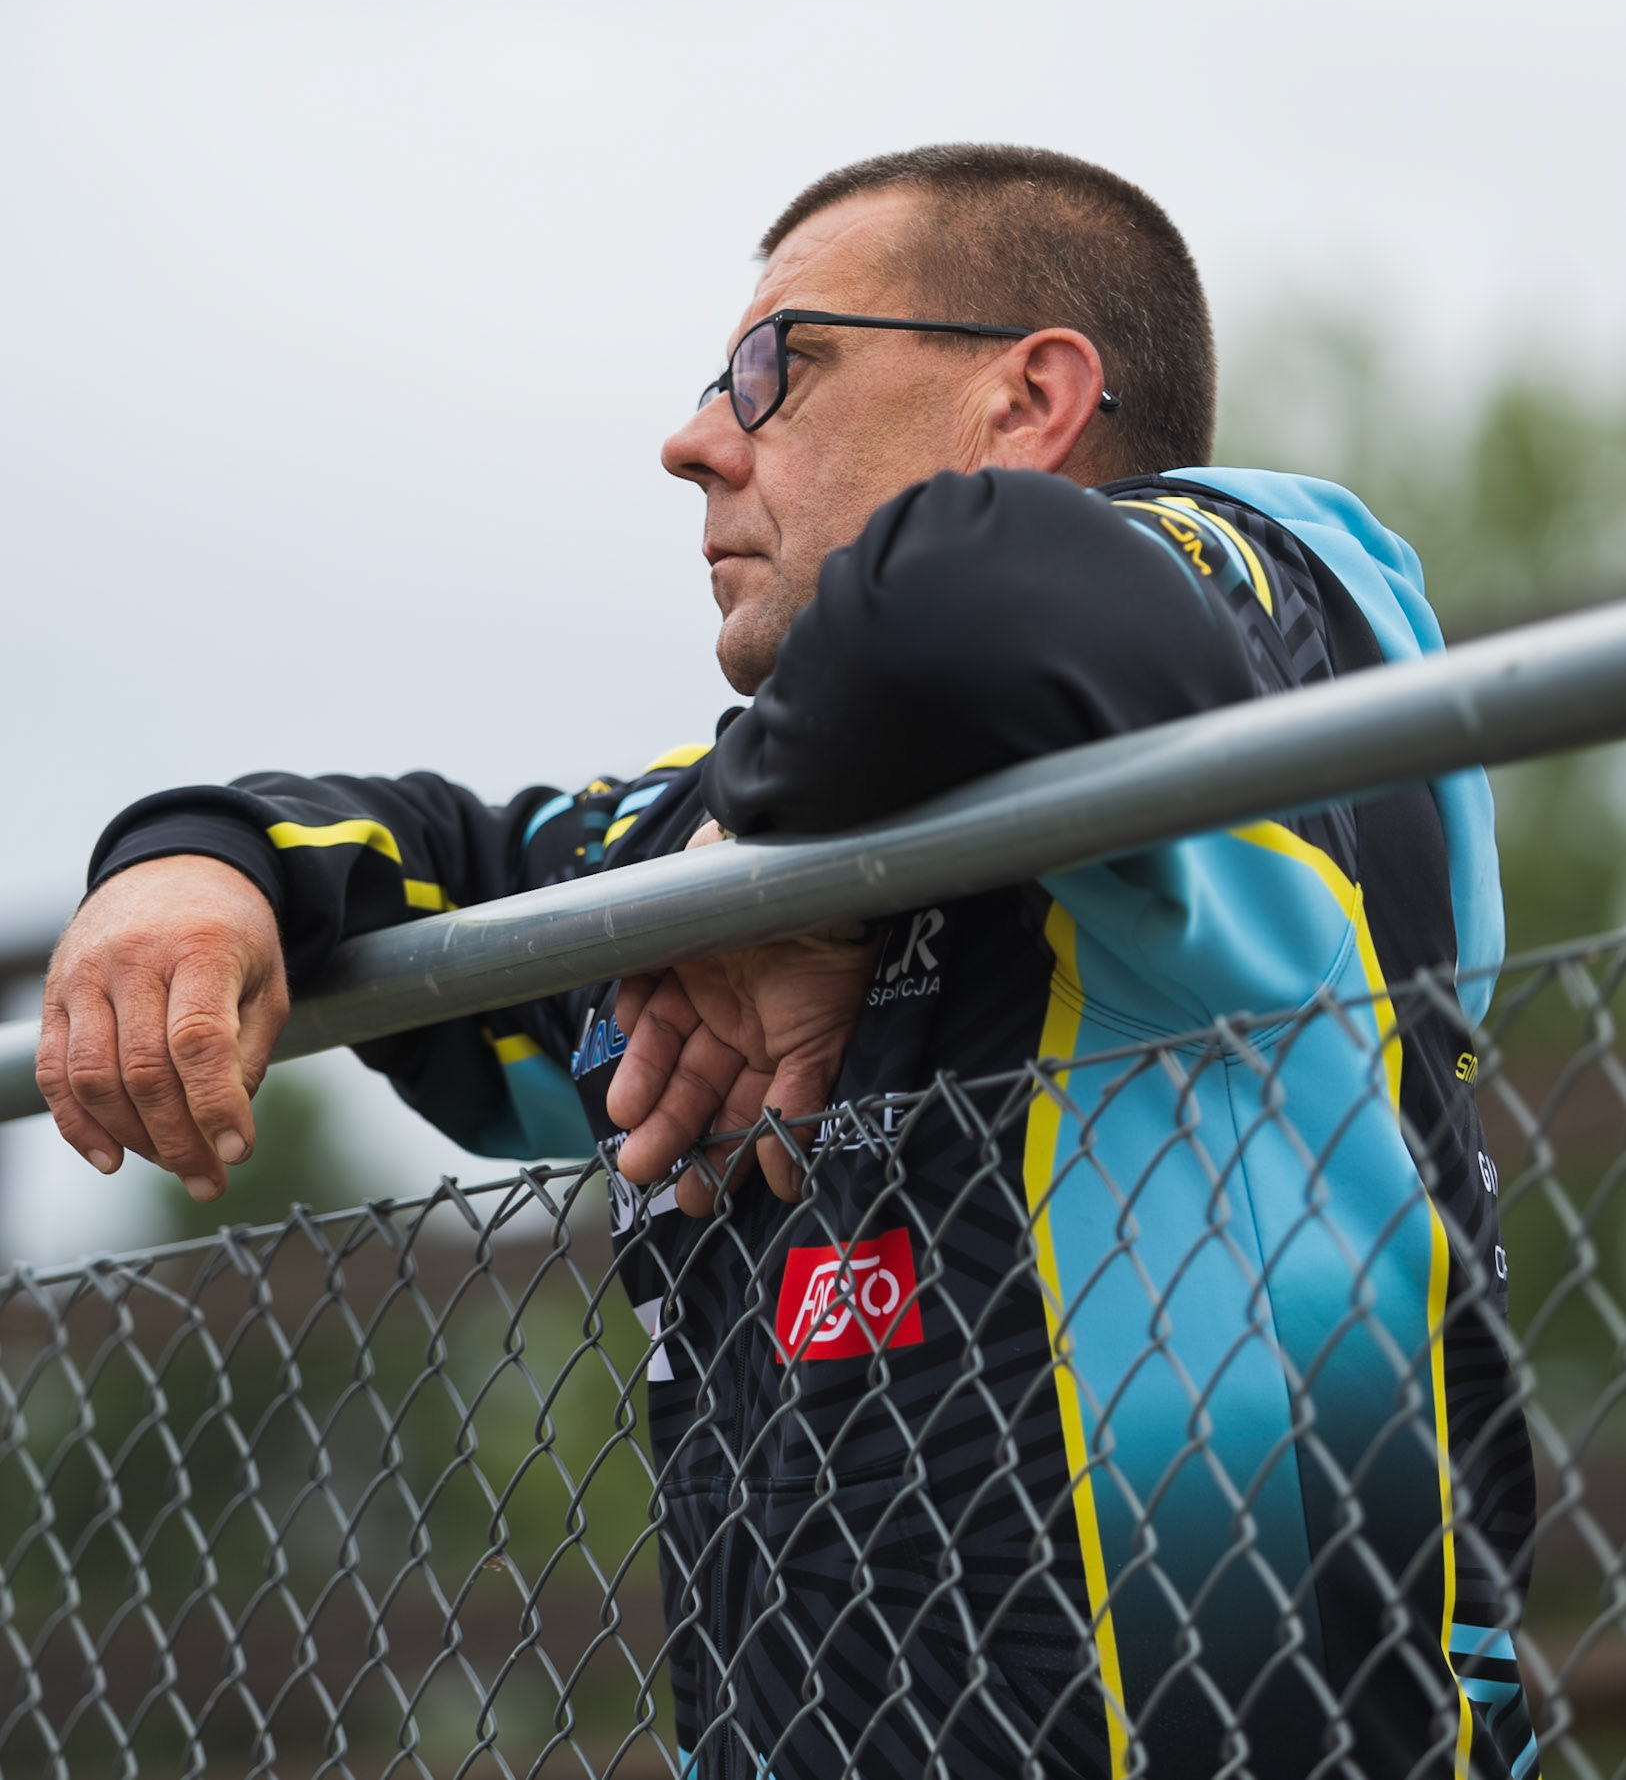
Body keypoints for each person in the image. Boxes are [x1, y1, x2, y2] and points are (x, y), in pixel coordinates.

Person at [39, 145, 1538, 1780]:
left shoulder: (1248, 619)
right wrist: (189, 867)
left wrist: (768, 859)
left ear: (1028, 398)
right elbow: (431, 856)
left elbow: (982, 592)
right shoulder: (743, 817)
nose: (694, 441)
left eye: (776, 366)